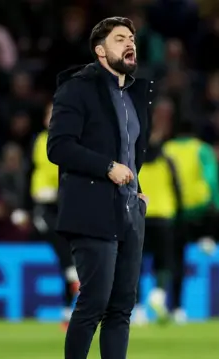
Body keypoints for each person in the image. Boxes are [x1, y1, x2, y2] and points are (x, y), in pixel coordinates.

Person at [47, 17, 153, 359]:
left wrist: (137, 190)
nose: (129, 43)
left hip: (128, 211)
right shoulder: (77, 88)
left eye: (132, 38)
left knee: (121, 309)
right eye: (120, 38)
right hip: (92, 209)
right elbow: (59, 147)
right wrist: (107, 168)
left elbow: (128, 151)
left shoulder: (135, 95)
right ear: (100, 51)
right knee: (94, 302)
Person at [163, 120, 219, 324]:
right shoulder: (202, 149)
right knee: (203, 231)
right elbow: (212, 178)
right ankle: (206, 238)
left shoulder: (167, 148)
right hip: (199, 209)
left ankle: (175, 308)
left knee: (175, 260)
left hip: (173, 209)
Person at [31, 102, 80, 328]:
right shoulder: (40, 141)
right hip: (45, 206)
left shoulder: (71, 140)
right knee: (63, 249)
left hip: (66, 202)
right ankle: (72, 277)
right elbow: (31, 171)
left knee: (71, 256)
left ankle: (66, 313)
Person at [133, 122, 182, 326]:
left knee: (135, 265)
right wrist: (179, 215)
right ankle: (158, 294)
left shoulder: (134, 160)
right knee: (164, 261)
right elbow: (177, 190)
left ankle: (138, 309)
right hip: (163, 217)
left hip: (139, 216)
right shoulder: (167, 160)